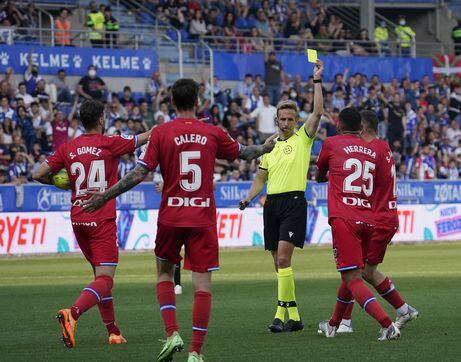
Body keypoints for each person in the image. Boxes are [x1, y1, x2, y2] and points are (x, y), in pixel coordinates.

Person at [82, 79, 274, 362]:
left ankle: (172, 333)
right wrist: (266, 147)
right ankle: (196, 352)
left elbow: (137, 175)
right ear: (198, 101)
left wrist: (104, 196)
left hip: (170, 217)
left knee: (163, 274)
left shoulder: (161, 132)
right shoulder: (213, 132)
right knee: (202, 285)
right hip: (202, 218)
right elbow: (244, 153)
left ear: (172, 101)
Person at [32, 99, 151, 348]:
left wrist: (59, 182)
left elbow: (37, 174)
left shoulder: (69, 148)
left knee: (99, 277)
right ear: (100, 119)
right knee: (106, 280)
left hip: (79, 219)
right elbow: (145, 137)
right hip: (102, 218)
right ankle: (72, 314)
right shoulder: (110, 143)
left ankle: (113, 331)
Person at [239, 60, 324, 334]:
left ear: (296, 121)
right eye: (282, 119)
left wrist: (317, 81)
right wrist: (249, 198)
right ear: (276, 120)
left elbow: (318, 112)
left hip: (294, 203)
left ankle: (279, 314)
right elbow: (261, 177)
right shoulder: (269, 147)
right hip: (271, 205)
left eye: (290, 119)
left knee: (284, 261)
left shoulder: (303, 138)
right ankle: (294, 316)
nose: (286, 123)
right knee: (278, 263)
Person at [328, 109, 419, 334]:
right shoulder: (382, 147)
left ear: (364, 128)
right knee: (358, 269)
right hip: (383, 215)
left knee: (358, 272)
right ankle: (346, 321)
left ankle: (347, 322)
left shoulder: (370, 151)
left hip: (377, 217)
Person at [315, 107, 400, 341]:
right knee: (351, 273)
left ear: (339, 125)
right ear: (360, 128)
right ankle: (333, 324)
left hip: (345, 218)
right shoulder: (372, 151)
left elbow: (319, 176)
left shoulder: (331, 143)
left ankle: (387, 324)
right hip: (369, 218)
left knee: (353, 278)